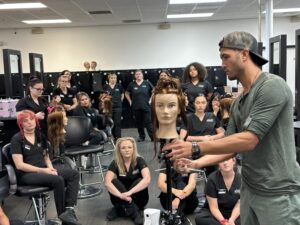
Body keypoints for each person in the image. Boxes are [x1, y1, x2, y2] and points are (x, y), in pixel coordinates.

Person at [163, 31, 300, 225]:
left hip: (277, 193)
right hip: (251, 189)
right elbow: (231, 148)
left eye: (225, 57)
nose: (221, 64)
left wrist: (194, 147)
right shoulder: (238, 102)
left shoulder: (272, 87)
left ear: (244, 54)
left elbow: (249, 139)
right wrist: (195, 163)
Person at [10, 110, 81, 225]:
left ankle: (68, 210)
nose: (29, 123)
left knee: (73, 173)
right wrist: (44, 170)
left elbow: (46, 156)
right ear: (21, 124)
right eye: (25, 121)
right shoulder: (17, 139)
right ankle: (63, 217)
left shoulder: (40, 136)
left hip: (43, 169)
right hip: (26, 175)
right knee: (58, 180)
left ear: (36, 121)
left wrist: (51, 168)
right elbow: (19, 165)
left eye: (32, 119)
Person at [104, 137, 151, 225]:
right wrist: (121, 196)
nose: (127, 150)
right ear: (119, 150)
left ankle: (119, 209)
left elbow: (147, 180)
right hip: (120, 198)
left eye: (129, 147)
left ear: (133, 149)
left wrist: (129, 193)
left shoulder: (139, 160)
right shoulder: (115, 162)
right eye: (123, 148)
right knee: (113, 181)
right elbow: (107, 183)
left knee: (140, 180)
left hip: (140, 199)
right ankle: (135, 212)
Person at [195, 158, 241, 225]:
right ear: (218, 163)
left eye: (227, 160)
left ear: (233, 161)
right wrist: (224, 222)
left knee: (249, 217)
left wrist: (232, 220)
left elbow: (239, 204)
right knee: (199, 218)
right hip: (215, 213)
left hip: (234, 213)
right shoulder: (212, 179)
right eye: (222, 161)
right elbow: (214, 208)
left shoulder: (241, 179)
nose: (225, 163)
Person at [125, 70, 153, 142]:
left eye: (139, 74)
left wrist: (150, 100)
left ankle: (153, 137)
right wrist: (130, 101)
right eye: (136, 74)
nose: (138, 75)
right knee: (139, 123)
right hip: (136, 107)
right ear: (135, 76)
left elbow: (154, 91)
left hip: (146, 106)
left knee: (148, 122)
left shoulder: (146, 83)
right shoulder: (132, 84)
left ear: (142, 75)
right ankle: (141, 137)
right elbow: (126, 93)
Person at [103, 73, 124, 141]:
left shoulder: (119, 86)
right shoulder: (105, 86)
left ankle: (118, 137)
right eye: (111, 78)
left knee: (117, 122)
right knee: (111, 122)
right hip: (109, 107)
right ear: (109, 79)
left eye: (115, 78)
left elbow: (122, 94)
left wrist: (120, 101)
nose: (113, 79)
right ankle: (112, 136)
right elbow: (103, 96)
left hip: (118, 107)